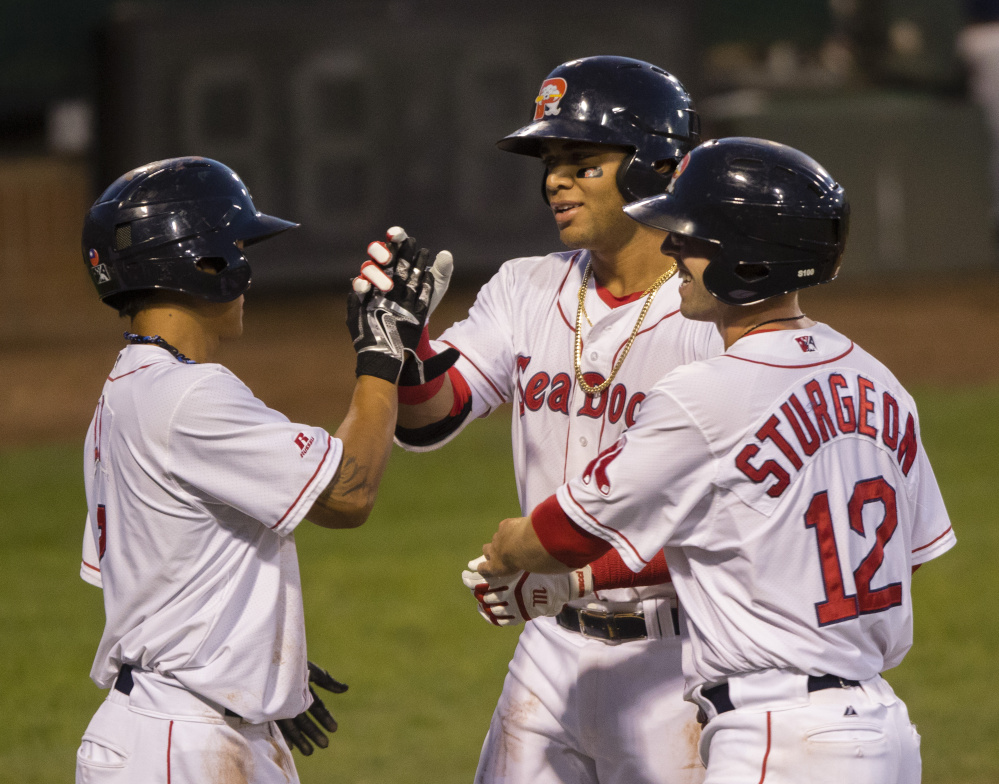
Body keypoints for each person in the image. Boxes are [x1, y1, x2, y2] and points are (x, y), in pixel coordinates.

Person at [475, 137, 957, 784]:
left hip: (778, 736)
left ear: (747, 262)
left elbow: (562, 532)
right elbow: (912, 554)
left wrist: (505, 559)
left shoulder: (706, 395)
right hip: (884, 729)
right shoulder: (879, 384)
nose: (673, 251)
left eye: (691, 238)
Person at [361, 56, 717, 784]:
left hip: (677, 662)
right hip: (549, 652)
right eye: (550, 163)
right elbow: (433, 413)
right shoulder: (526, 286)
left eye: (582, 163)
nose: (554, 180)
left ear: (654, 168)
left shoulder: (713, 311)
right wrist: (405, 341)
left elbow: (734, 522)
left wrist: (573, 577)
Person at [76, 156, 446, 783]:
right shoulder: (188, 396)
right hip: (183, 745)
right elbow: (348, 495)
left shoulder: (124, 393)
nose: (247, 270)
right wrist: (382, 354)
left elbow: (162, 573)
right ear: (203, 264)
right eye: (238, 247)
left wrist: (253, 667)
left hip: (175, 727)